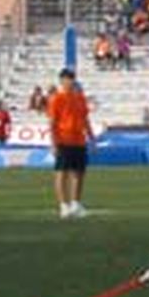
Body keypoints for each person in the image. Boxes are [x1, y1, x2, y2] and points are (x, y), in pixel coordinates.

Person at [47, 68, 94, 218]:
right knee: (62, 172)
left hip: (79, 139)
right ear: (61, 81)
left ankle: (75, 203)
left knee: (79, 172)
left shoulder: (80, 98)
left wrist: (91, 137)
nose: (70, 81)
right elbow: (52, 122)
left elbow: (85, 119)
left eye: (72, 78)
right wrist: (53, 143)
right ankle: (63, 205)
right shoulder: (57, 99)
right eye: (67, 78)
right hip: (63, 139)